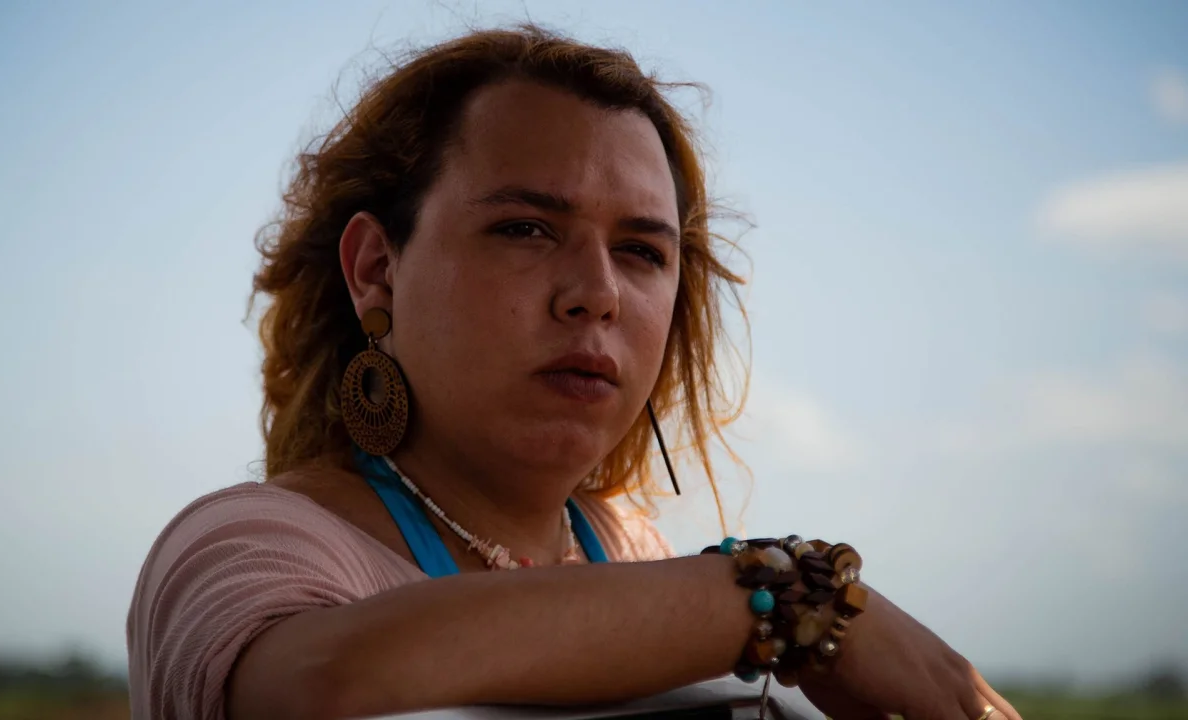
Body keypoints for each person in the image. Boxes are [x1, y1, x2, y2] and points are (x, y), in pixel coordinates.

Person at [125, 25, 1021, 720]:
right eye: (525, 228)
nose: (596, 294)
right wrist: (785, 599)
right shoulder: (254, 545)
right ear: (376, 271)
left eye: (641, 251)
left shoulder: (632, 554)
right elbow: (317, 688)